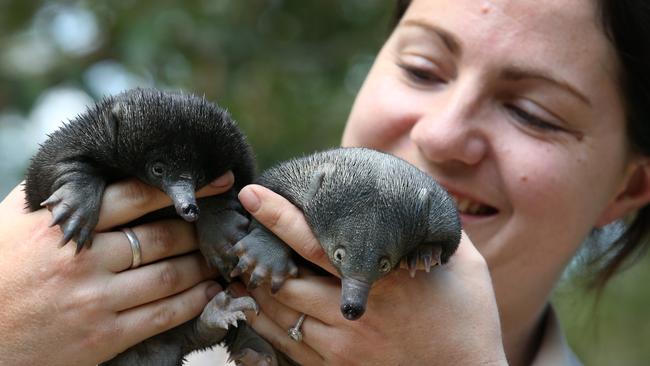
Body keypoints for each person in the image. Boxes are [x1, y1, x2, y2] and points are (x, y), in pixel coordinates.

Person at [0, 0, 648, 365]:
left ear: (628, 188)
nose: (441, 135)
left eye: (534, 113)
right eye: (422, 69)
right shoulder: (121, 306)